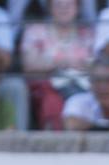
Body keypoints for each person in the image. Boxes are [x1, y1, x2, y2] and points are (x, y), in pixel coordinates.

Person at [20, 0, 98, 131]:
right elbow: (29, 65)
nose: (64, 9)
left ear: (77, 8)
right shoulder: (35, 31)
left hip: (83, 85)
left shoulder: (88, 34)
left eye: (69, 5)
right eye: (58, 5)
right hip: (47, 85)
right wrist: (63, 63)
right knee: (52, 102)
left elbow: (96, 64)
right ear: (50, 8)